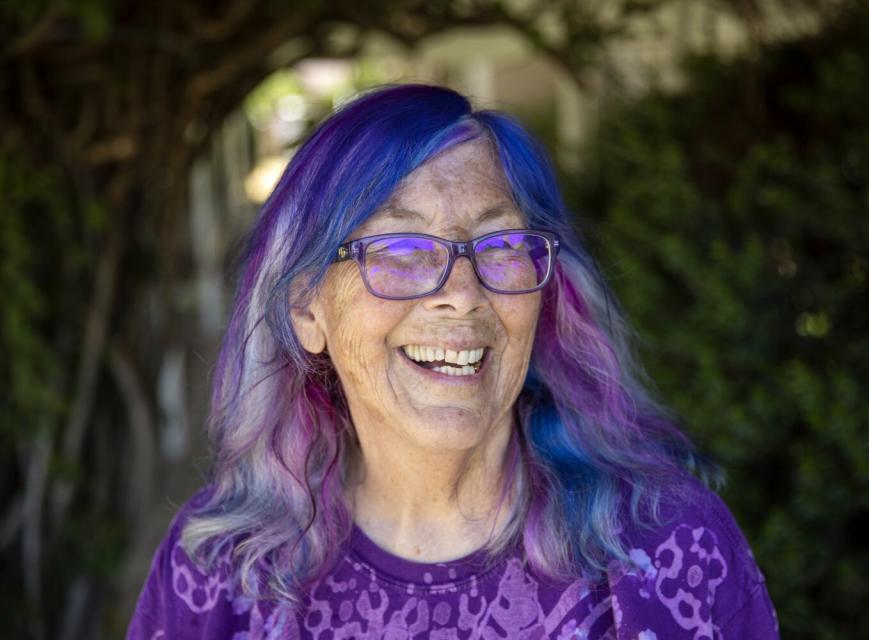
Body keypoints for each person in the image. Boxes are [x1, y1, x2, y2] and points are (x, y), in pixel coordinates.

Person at [127, 84, 779, 639]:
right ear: (307, 309)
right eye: (401, 246)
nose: (461, 295)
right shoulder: (218, 577)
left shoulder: (668, 548)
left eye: (498, 244)